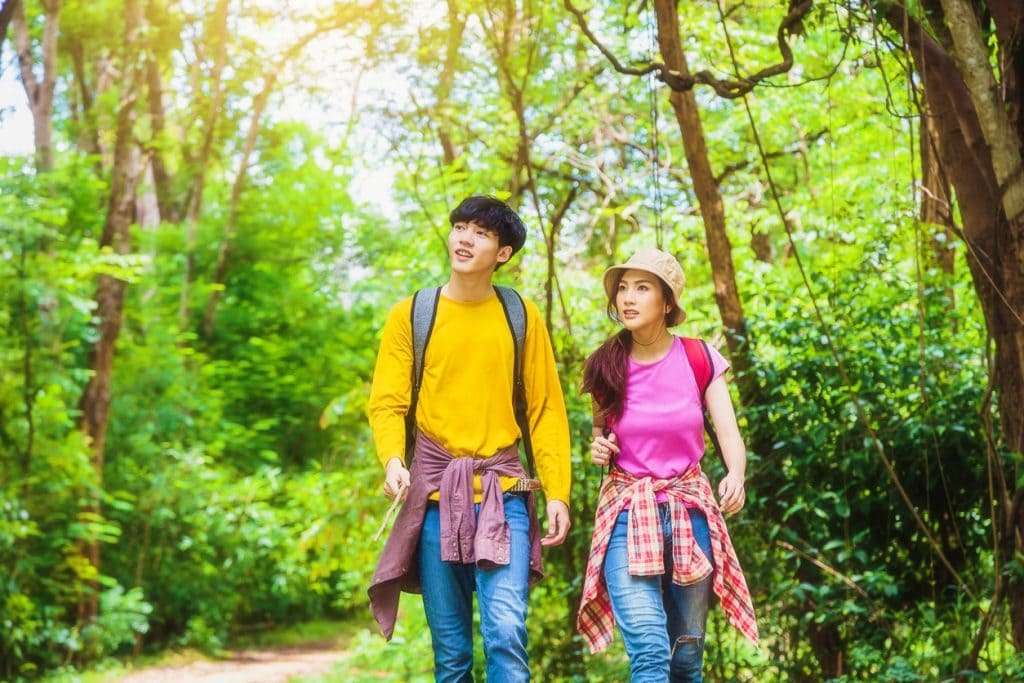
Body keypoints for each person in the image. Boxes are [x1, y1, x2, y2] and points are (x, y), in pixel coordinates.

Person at [366, 195, 572, 683]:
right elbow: (388, 401)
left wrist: (559, 490)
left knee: (505, 634)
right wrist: (393, 459)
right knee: (452, 652)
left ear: (503, 252)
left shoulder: (520, 315)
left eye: (481, 232)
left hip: (507, 498)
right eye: (460, 227)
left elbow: (546, 408)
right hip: (436, 498)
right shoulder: (413, 314)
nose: (464, 238)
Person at [576, 248, 758, 682]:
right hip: (626, 511)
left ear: (667, 301)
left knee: (686, 656)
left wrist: (736, 474)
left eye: (642, 288)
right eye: (623, 288)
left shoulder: (698, 358)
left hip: (689, 510)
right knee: (650, 647)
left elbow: (729, 433)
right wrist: (598, 447)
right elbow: (601, 437)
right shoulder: (606, 363)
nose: (628, 298)